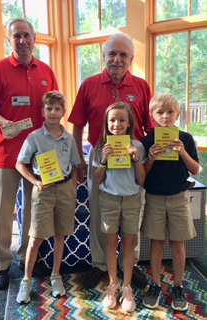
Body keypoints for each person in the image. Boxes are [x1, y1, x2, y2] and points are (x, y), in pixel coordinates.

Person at [68, 32, 154, 289]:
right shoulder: (89, 84)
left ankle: (131, 263)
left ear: (131, 59)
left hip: (132, 156)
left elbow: (149, 129)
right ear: (104, 56)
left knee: (132, 213)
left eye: (123, 55)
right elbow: (76, 125)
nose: (117, 59)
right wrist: (80, 161)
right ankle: (100, 264)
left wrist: (147, 159)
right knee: (99, 213)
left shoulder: (141, 86)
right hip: (100, 156)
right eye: (112, 54)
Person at [0, 18, 58, 290]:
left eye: (26, 35)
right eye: (16, 37)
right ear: (9, 40)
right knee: (2, 212)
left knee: (34, 210)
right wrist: (3, 122)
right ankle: (1, 263)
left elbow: (55, 109)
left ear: (34, 38)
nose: (22, 41)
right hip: (6, 153)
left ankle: (27, 258)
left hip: (39, 156)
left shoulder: (46, 71)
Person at [16, 91, 80, 304]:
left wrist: (73, 187)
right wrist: (36, 182)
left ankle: (55, 275)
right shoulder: (34, 137)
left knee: (60, 234)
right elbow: (20, 164)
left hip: (65, 190)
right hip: (43, 190)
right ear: (43, 111)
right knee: (36, 236)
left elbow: (74, 164)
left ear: (63, 112)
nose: (53, 112)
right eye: (49, 108)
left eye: (57, 109)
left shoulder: (69, 138)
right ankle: (26, 279)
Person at [141, 93, 200, 311]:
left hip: (178, 197)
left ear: (178, 114)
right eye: (160, 112)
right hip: (154, 197)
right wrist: (151, 158)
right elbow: (143, 177)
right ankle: (155, 284)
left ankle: (178, 286)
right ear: (152, 115)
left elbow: (196, 169)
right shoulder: (148, 140)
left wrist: (182, 151)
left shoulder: (185, 138)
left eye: (170, 112)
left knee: (178, 243)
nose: (165, 116)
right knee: (156, 243)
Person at [94, 102, 146, 312]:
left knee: (129, 242)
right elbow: (97, 179)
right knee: (110, 242)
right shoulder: (101, 147)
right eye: (112, 120)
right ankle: (113, 284)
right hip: (109, 199)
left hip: (132, 199)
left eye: (121, 120)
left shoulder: (138, 146)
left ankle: (127, 287)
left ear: (129, 123)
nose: (117, 124)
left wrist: (135, 157)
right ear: (107, 124)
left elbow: (142, 179)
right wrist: (105, 160)